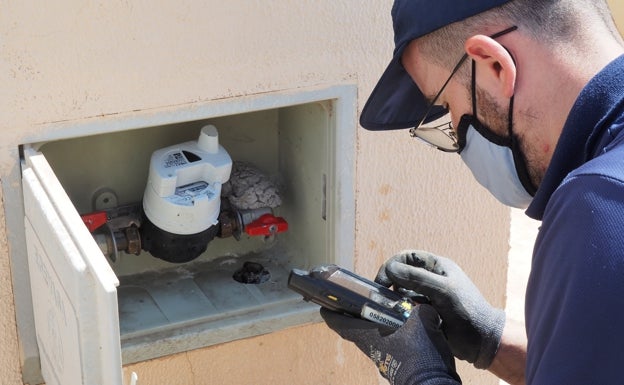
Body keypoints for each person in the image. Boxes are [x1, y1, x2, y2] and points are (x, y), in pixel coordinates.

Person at [320, 0, 624, 384]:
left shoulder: (601, 207)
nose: (458, 138)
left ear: (494, 64)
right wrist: (489, 338)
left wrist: (422, 374)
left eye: (447, 107)